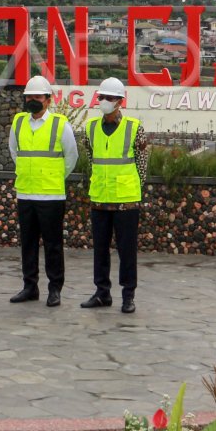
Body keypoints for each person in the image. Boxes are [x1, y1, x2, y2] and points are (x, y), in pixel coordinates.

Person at [8, 75, 78, 307]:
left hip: (51, 195)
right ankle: (30, 287)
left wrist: (55, 177)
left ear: (48, 100)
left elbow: (71, 158)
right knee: (27, 244)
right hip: (26, 193)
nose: (33, 100)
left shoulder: (60, 124)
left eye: (38, 97)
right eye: (30, 97)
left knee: (53, 245)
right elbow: (14, 153)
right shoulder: (18, 122)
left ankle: (54, 288)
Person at [80, 77, 149, 314]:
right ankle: (102, 293)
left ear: (120, 101)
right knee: (100, 249)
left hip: (126, 201)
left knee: (126, 251)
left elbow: (142, 165)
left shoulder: (134, 127)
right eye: (102, 97)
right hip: (99, 198)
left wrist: (133, 190)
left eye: (110, 98)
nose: (105, 102)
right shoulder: (90, 128)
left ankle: (128, 296)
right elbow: (91, 161)